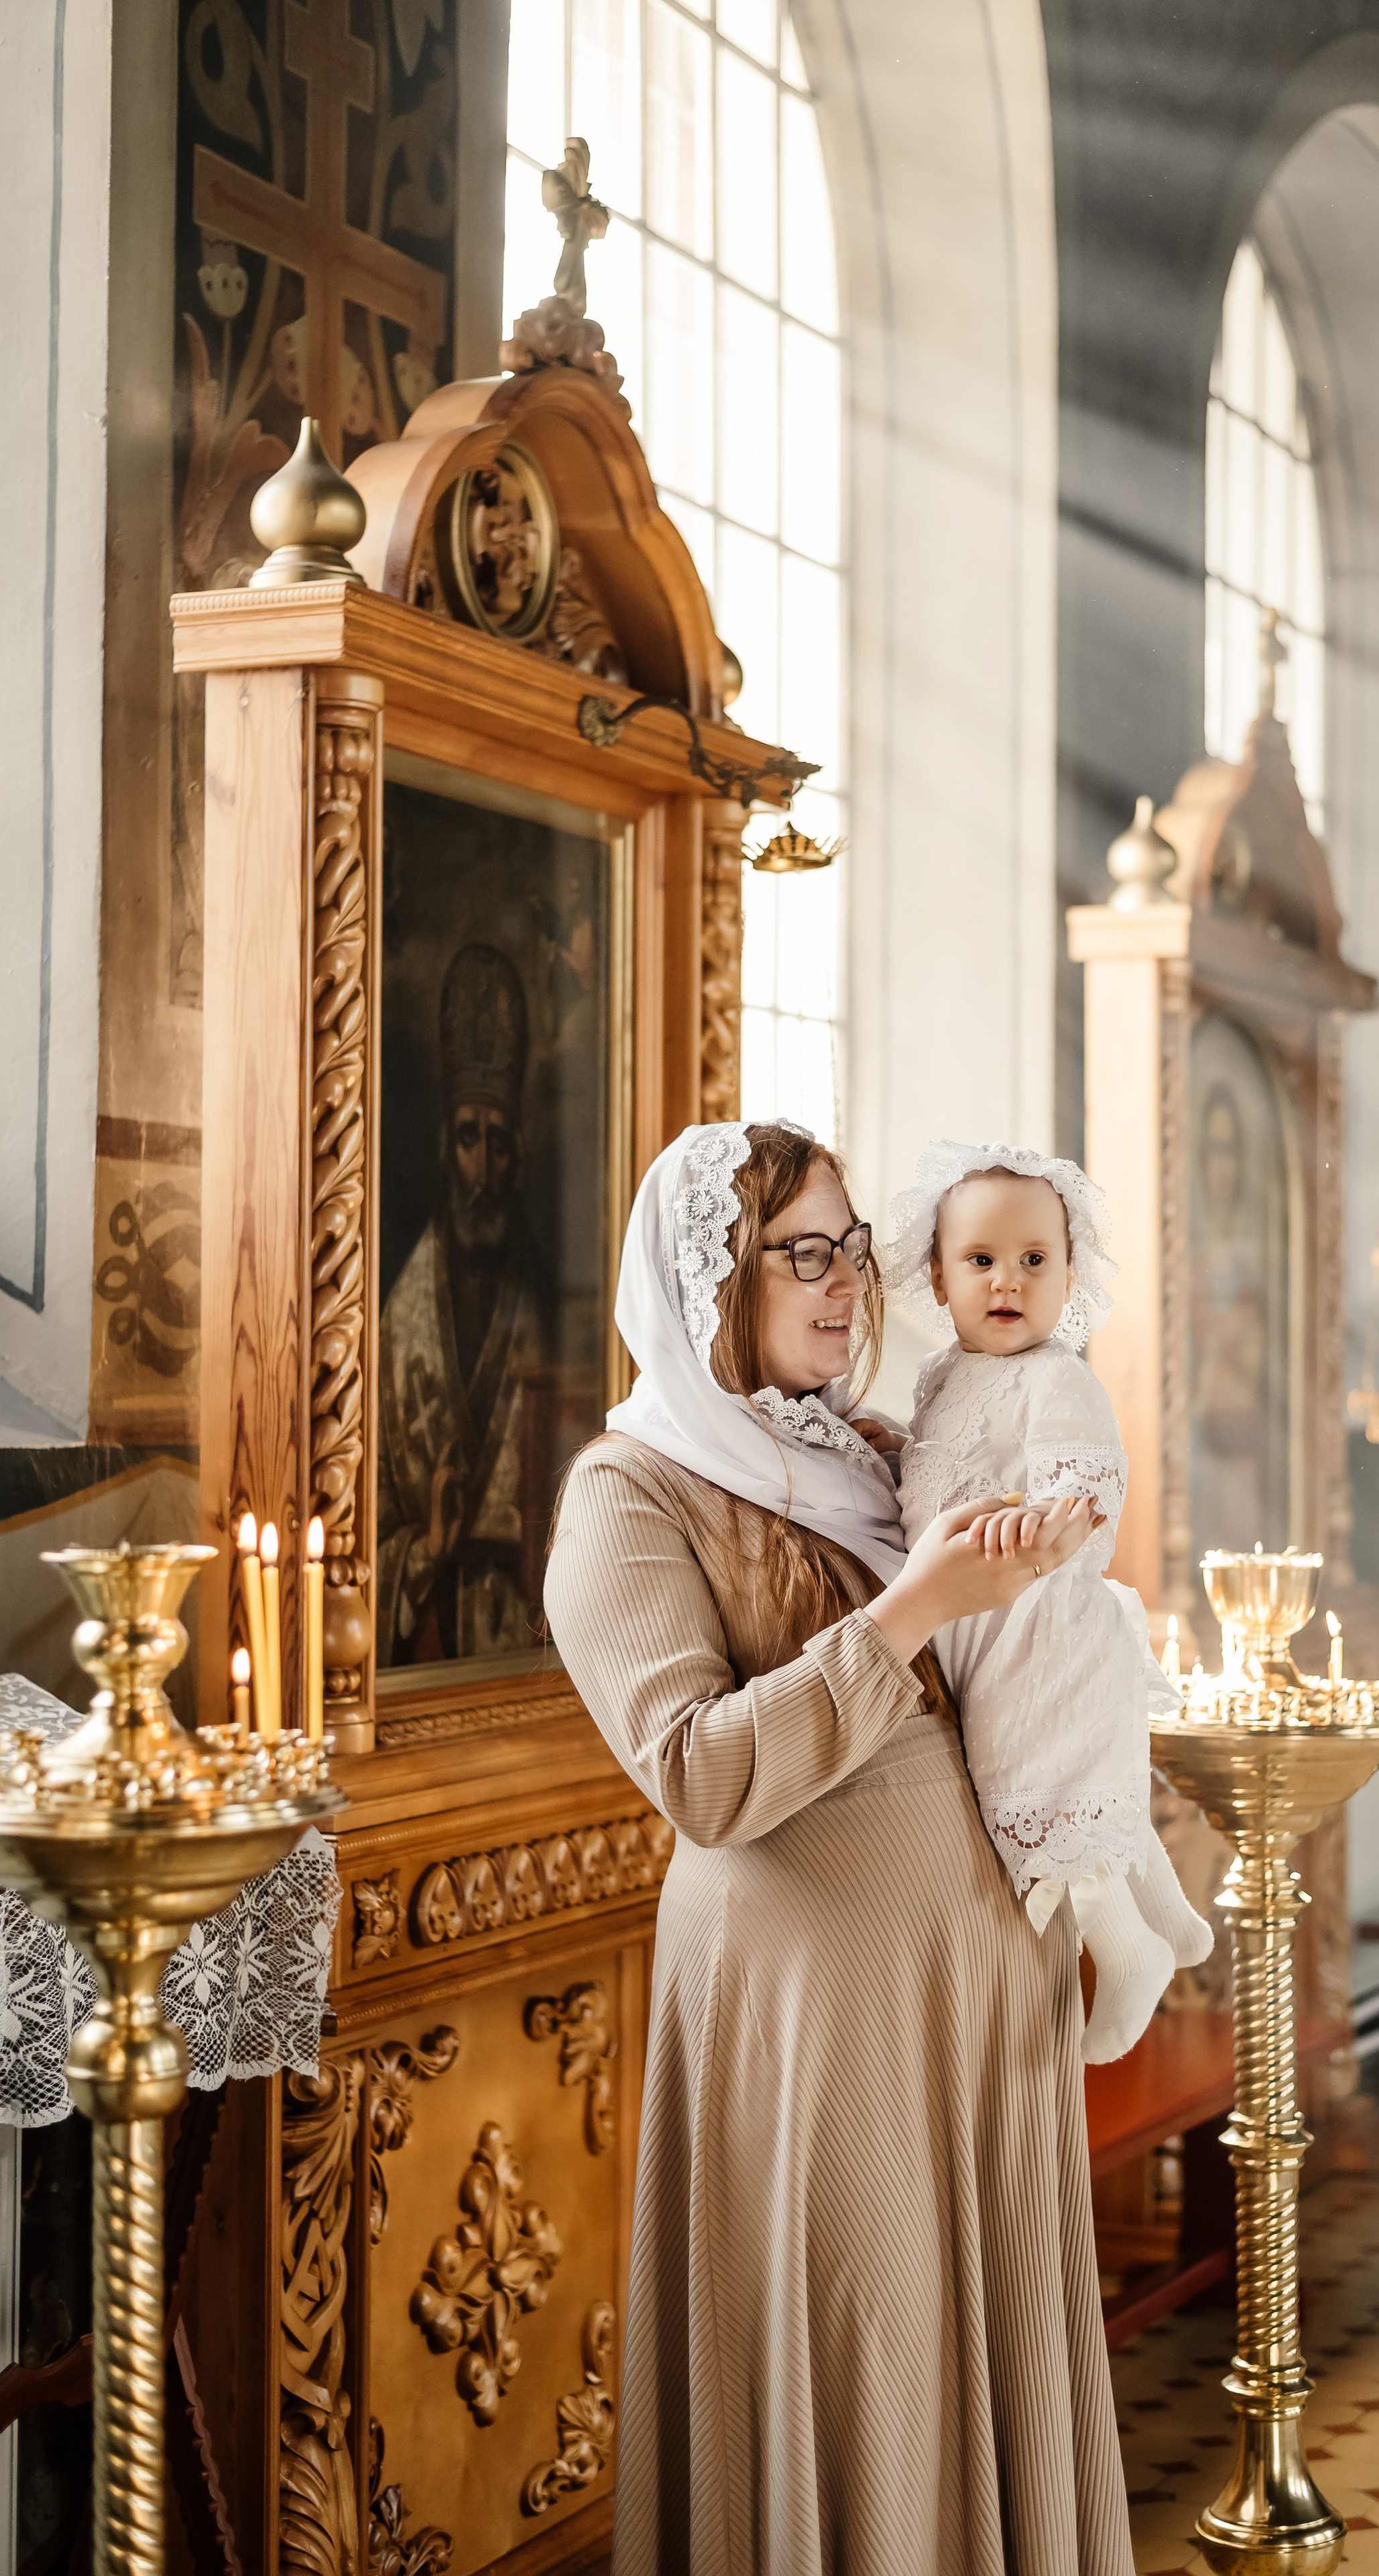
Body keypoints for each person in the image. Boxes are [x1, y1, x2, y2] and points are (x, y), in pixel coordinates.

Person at [545, 1118, 1132, 2574]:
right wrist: (910, 1610)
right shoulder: (625, 1494)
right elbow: (696, 1775)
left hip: (971, 1985)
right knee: (861, 2354)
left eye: (851, 1248)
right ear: (713, 1283)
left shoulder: (879, 1452)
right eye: (797, 1254)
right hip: (812, 2019)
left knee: (984, 2357)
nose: (840, 1286)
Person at [886, 1141, 1212, 2064]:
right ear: (939, 1277)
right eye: (981, 1260)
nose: (1008, 1282)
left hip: (1033, 1623)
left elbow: (1086, 1489)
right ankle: (1171, 1917)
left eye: (1036, 1261)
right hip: (978, 1618)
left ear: (1070, 1277)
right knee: (1081, 1779)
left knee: (1038, 1781)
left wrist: (1043, 1530)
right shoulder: (943, 1375)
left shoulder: (1055, 1375)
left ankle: (1129, 1948)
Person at [377, 942, 551, 1663]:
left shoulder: (548, 1301)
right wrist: (425, 1548)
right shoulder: (397, 1315)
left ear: (518, 1157)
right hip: (434, 1631)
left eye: (499, 1145)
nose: (483, 1169)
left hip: (532, 1625)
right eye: (468, 1140)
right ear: (445, 1148)